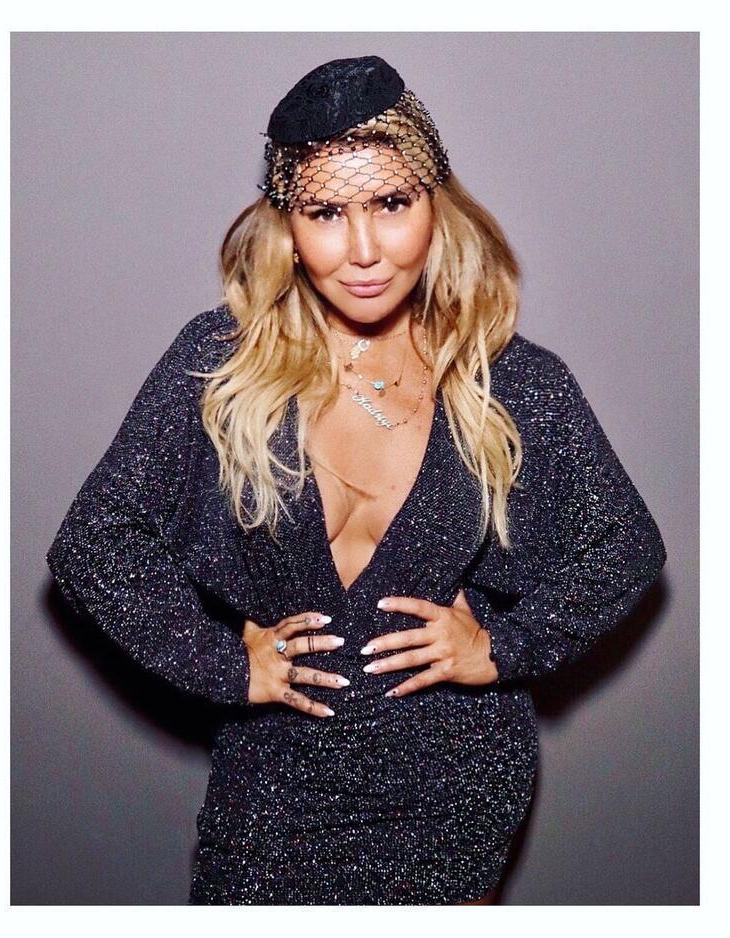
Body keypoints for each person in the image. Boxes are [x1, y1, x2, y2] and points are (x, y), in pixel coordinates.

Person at [45, 55, 667, 905]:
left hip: (453, 790)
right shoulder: (222, 364)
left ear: (436, 204)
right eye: (327, 212)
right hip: (274, 786)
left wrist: (502, 648)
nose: (365, 250)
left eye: (391, 203)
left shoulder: (511, 382)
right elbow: (93, 544)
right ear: (287, 226)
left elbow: (627, 545)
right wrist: (223, 665)